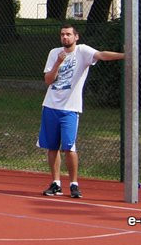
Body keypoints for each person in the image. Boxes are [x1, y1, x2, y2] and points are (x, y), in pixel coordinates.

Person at [38, 24, 124, 199]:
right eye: (62, 34)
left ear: (76, 37)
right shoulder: (54, 53)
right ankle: (56, 184)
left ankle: (74, 184)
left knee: (69, 147)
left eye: (68, 34)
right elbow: (48, 80)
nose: (65, 37)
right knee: (52, 147)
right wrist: (58, 63)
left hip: (70, 109)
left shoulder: (83, 51)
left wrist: (124, 55)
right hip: (51, 106)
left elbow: (101, 55)